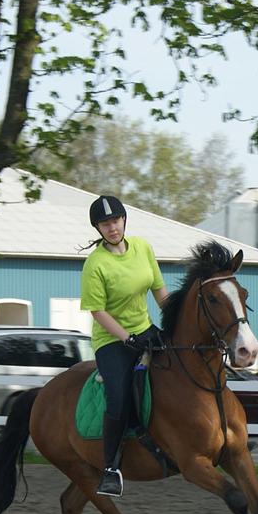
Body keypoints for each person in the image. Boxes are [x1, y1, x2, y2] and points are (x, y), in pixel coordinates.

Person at [80, 195, 169, 497]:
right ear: (98, 228)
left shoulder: (143, 248)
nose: (112, 227)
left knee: (186, 366)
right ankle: (109, 467)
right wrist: (126, 338)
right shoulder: (96, 264)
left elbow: (159, 291)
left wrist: (174, 323)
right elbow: (98, 311)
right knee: (117, 397)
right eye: (105, 223)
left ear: (124, 221)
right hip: (111, 340)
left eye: (116, 220)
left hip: (145, 330)